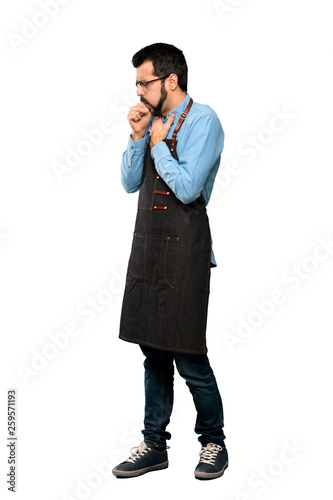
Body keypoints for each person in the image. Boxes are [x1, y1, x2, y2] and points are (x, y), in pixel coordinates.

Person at [112, 43, 228, 481]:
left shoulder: (205, 121)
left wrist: (159, 147)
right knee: (152, 352)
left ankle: (214, 441)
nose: (139, 91)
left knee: (188, 353)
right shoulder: (150, 121)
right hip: (148, 247)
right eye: (137, 83)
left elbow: (188, 188)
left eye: (145, 82)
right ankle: (154, 445)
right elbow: (127, 183)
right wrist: (139, 137)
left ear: (170, 80)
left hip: (185, 250)